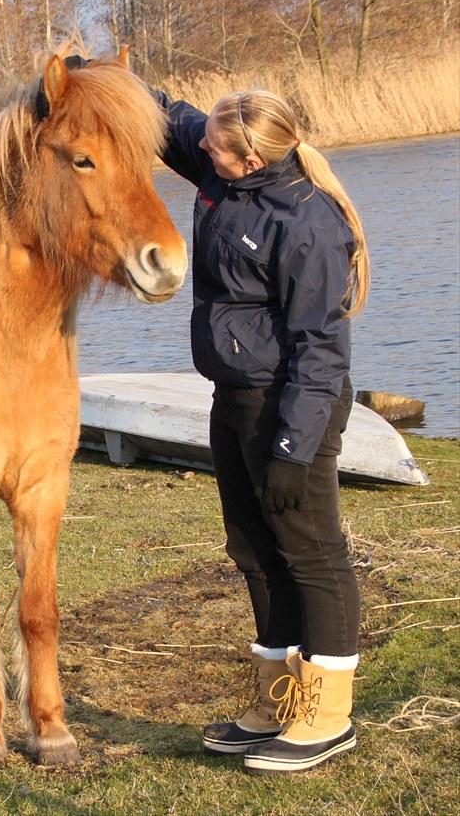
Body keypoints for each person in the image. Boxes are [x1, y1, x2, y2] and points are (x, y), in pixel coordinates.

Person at [151, 87, 370, 775]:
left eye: (215, 149)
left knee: (311, 551)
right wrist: (94, 75)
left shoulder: (307, 222)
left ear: (251, 157)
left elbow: (321, 350)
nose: (202, 154)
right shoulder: (222, 164)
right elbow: (167, 119)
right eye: (206, 143)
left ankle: (328, 713)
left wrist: (292, 450)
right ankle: (278, 699)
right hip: (235, 395)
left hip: (292, 403)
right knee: (251, 544)